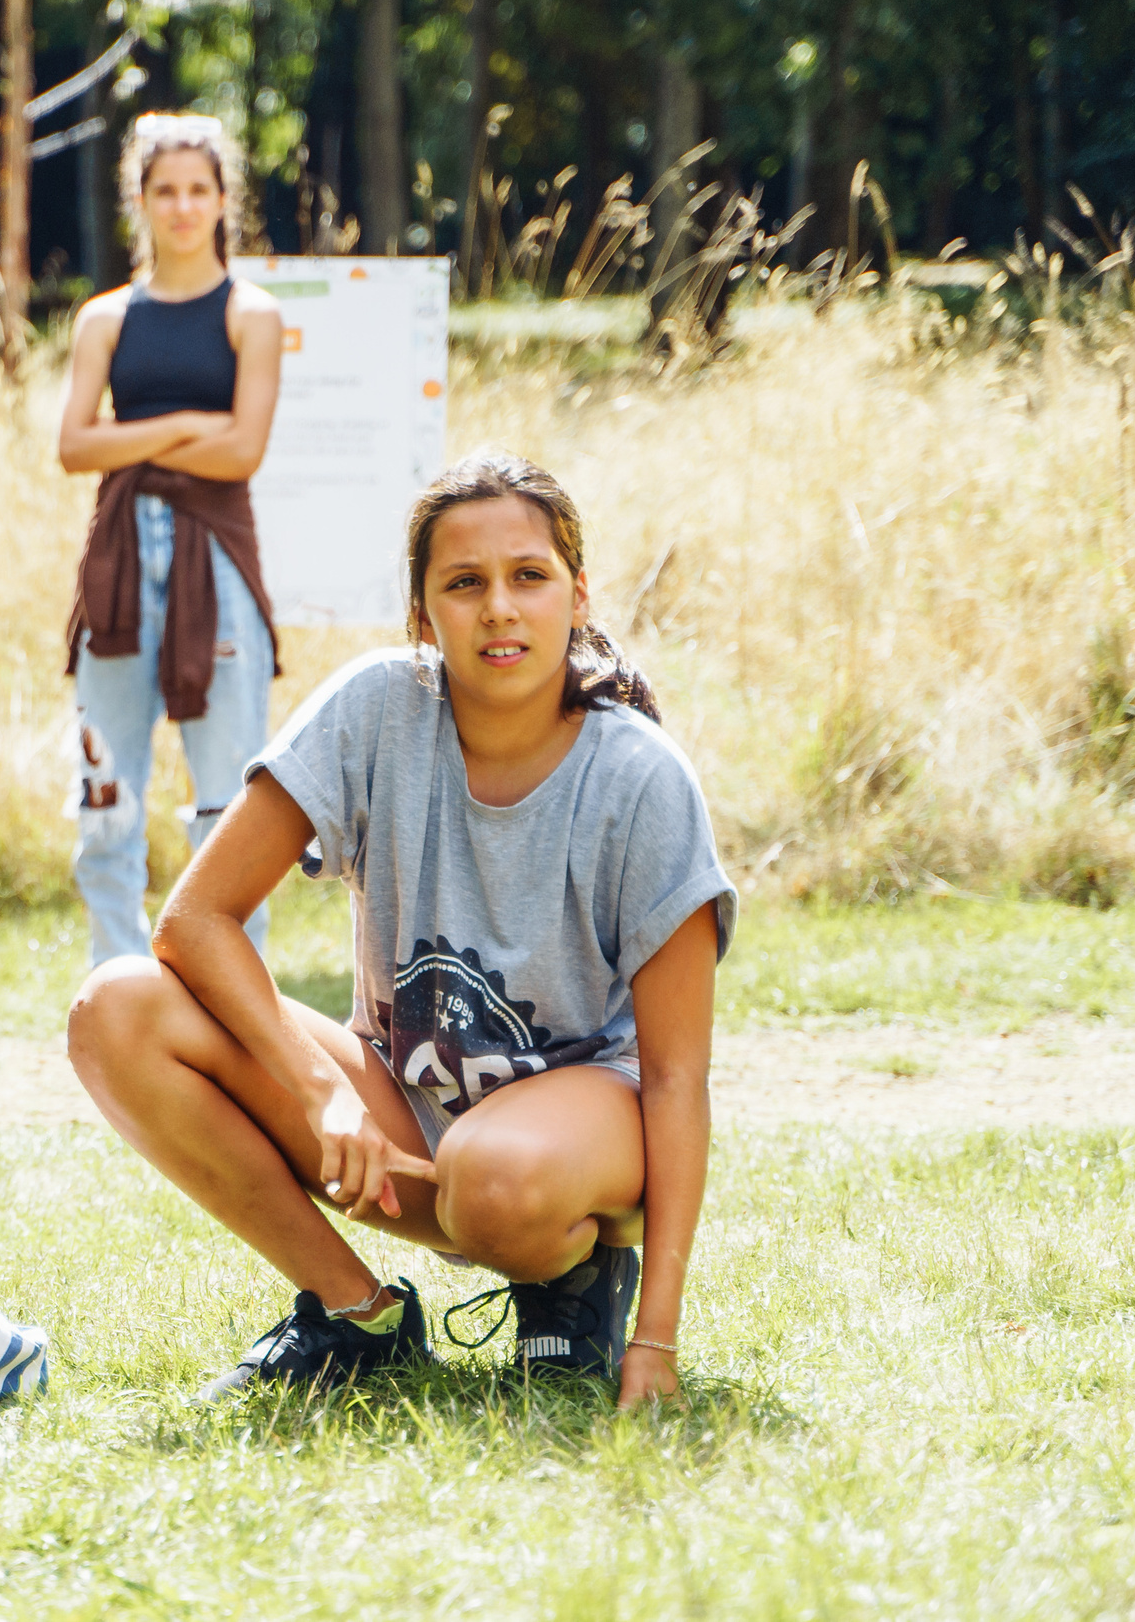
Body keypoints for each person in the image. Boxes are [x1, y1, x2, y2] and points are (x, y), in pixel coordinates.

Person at [65, 453, 734, 1410]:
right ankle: (358, 1317)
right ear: (422, 616)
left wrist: (657, 1341)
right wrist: (319, 1092)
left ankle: (581, 1281)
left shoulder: (642, 779)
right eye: (464, 584)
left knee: (493, 1171)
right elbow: (196, 921)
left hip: (580, 1148)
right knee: (116, 1006)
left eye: (528, 577)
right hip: (405, 1131)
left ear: (578, 597)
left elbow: (676, 1077)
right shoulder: (378, 706)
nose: (499, 607)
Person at [57, 113, 285, 969]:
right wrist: (193, 420)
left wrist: (138, 433)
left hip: (215, 565)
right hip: (118, 565)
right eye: (165, 192)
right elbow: (73, 446)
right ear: (140, 203)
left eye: (199, 189)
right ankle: (114, 987)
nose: (183, 207)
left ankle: (229, 998)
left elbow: (243, 450)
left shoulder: (250, 314)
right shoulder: (105, 319)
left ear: (223, 200)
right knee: (106, 795)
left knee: (228, 807)